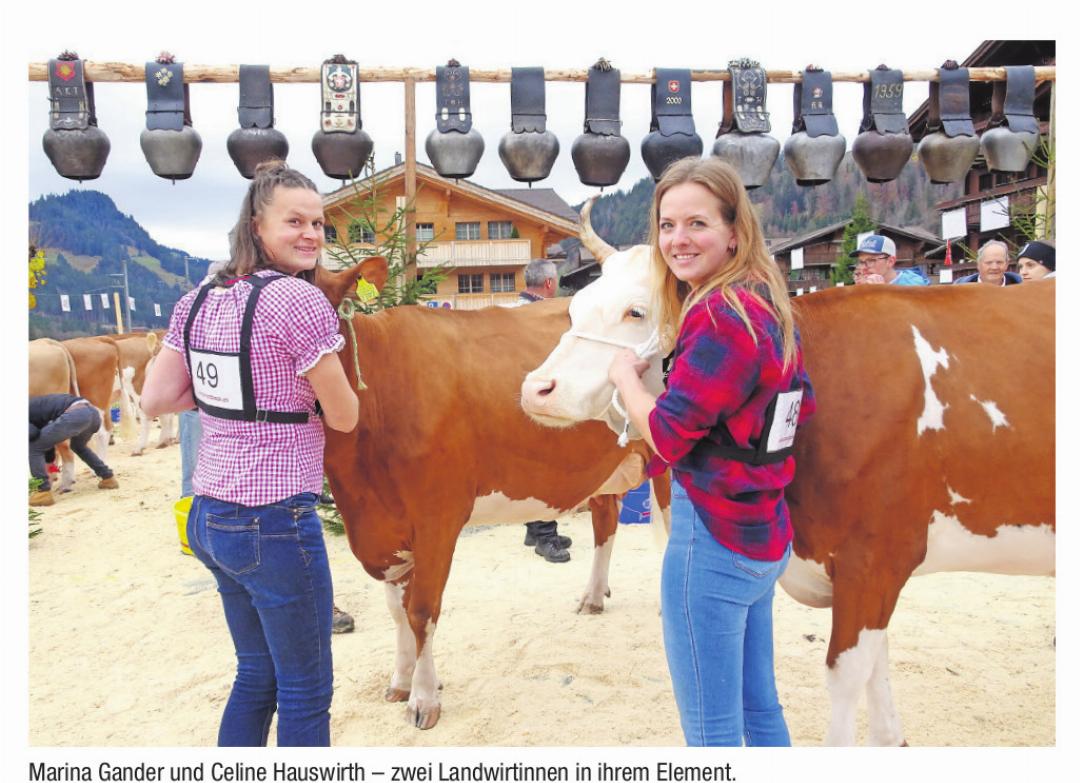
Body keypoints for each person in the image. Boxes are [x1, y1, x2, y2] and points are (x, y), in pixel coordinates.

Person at [140, 160, 359, 747]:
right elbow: (343, 415)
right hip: (274, 520)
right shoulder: (298, 301)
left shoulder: (198, 300)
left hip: (210, 512)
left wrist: (225, 404)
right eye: (295, 221)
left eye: (319, 223)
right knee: (306, 689)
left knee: (255, 672)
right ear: (256, 226)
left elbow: (156, 399)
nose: (312, 234)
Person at [607, 158, 815, 746]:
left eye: (697, 223)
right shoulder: (767, 304)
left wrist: (627, 378)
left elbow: (670, 437)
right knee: (760, 709)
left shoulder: (720, 316)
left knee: (712, 732)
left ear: (733, 231)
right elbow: (801, 409)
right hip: (764, 530)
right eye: (667, 226)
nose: (678, 240)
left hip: (714, 542)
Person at [503, 258, 572, 564]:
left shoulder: (510, 309)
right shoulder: (542, 315)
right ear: (549, 284)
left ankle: (535, 528)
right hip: (535, 397)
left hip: (509, 395)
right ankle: (546, 535)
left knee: (529, 464)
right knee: (546, 464)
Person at [29, 393, 119, 506]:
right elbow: (47, 444)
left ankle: (43, 493)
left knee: (34, 446)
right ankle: (108, 478)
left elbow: (33, 434)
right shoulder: (36, 405)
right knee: (78, 447)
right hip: (92, 413)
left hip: (76, 415)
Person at [850, 235, 929, 286]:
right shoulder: (864, 284)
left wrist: (883, 293)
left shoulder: (913, 286)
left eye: (871, 260)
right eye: (861, 262)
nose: (863, 268)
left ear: (890, 261)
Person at [954, 240, 1021, 285]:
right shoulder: (960, 289)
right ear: (979, 264)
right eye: (989, 262)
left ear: (1007, 264)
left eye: (999, 262)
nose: (994, 267)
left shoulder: (1019, 288)